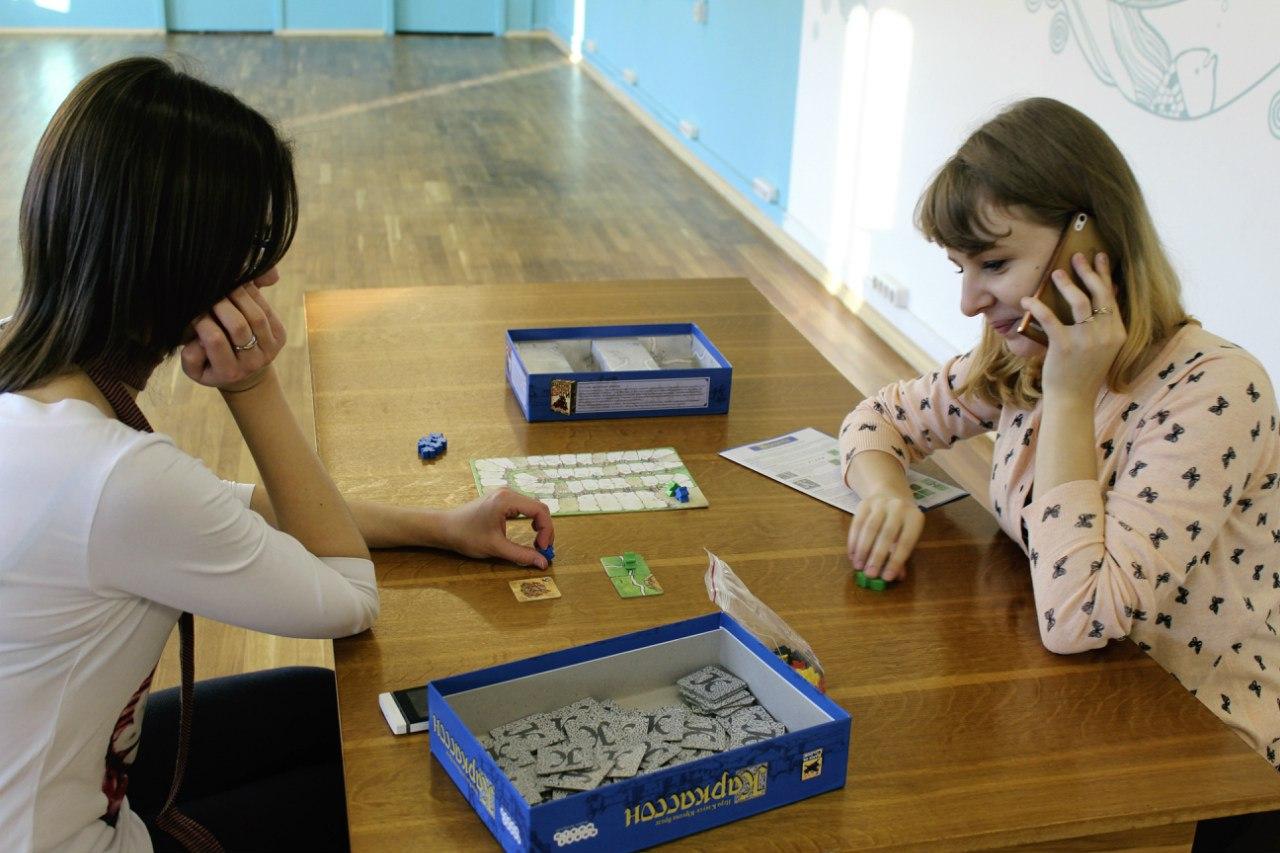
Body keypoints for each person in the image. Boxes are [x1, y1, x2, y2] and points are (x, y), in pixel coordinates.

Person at [0, 56, 553, 852]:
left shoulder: (33, 381)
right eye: (251, 244)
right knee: (382, 784)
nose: (269, 272)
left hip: (55, 768)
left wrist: (439, 525)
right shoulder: (114, 479)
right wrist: (254, 386)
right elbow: (350, 596)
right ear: (178, 257)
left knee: (312, 707)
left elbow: (219, 507)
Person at [839, 97, 1279, 817]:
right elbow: (879, 418)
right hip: (1065, 705)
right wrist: (886, 490)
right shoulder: (1022, 352)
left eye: (994, 263)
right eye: (959, 267)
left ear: (1091, 241)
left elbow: (1081, 619)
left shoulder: (1215, 390)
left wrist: (1070, 399)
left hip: (1199, 762)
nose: (969, 301)